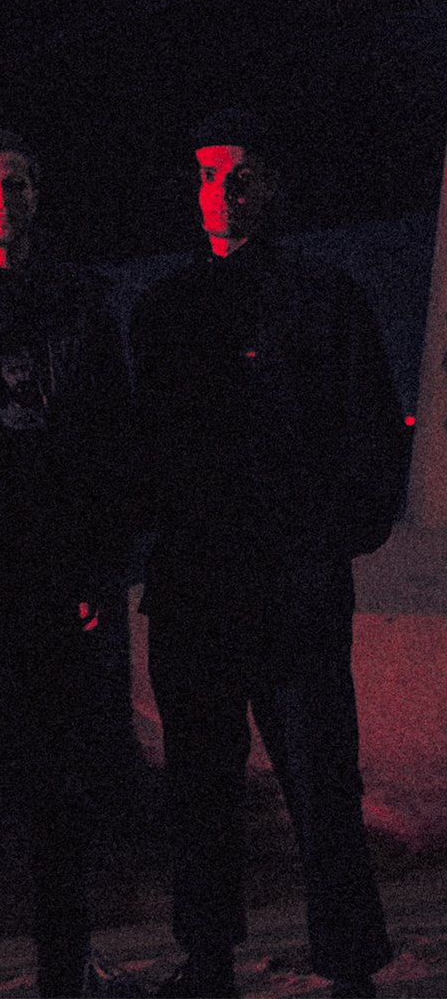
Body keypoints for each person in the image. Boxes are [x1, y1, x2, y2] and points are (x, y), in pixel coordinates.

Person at [130, 111, 403, 999]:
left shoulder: (324, 295)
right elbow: (144, 446)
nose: (224, 191)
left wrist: (332, 539)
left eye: (240, 174)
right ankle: (208, 961)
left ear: (270, 186)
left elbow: (372, 431)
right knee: (201, 792)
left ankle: (349, 961)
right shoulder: (165, 310)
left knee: (322, 784)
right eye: (209, 175)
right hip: (196, 588)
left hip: (293, 586)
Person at [0, 129, 131, 997]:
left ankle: (66, 973)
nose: (3, 199)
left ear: (36, 194)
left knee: (63, 800)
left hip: (60, 580)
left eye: (15, 183)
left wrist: (101, 565)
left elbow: (112, 437)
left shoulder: (81, 298)